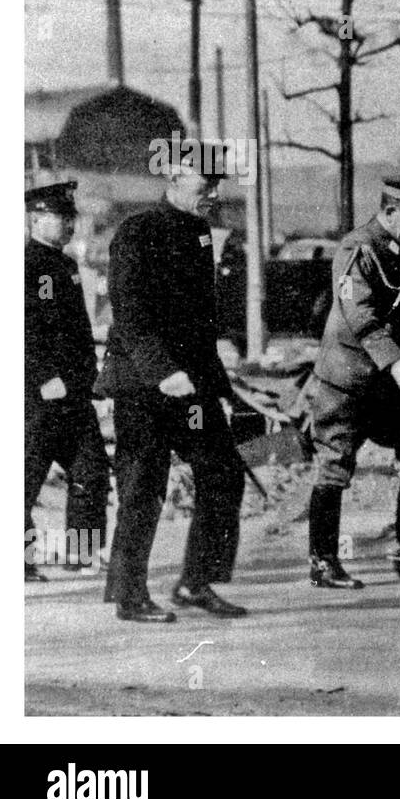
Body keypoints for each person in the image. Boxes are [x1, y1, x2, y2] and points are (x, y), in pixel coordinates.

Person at [98, 159, 246, 623]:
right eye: (205, 184)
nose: (213, 194)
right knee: (143, 487)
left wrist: (218, 386)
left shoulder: (200, 234)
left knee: (222, 469)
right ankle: (128, 595)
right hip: (144, 386)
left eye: (217, 186)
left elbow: (201, 324)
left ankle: (195, 582)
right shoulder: (138, 231)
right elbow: (130, 312)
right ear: (173, 180)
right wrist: (163, 371)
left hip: (190, 387)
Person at [303, 176, 400, 588]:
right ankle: (323, 563)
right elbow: (361, 316)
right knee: (335, 467)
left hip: (384, 383)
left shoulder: (392, 252)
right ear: (389, 210)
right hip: (348, 382)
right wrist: (396, 363)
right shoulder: (357, 248)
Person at [25, 180, 111, 580]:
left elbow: (75, 331)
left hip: (74, 394)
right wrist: (44, 378)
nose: (69, 225)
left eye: (70, 218)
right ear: (36, 218)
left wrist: (89, 379)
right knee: (24, 482)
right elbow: (23, 329)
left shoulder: (63, 264)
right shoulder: (29, 265)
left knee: (91, 473)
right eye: (61, 218)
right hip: (40, 397)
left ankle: (82, 553)